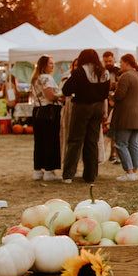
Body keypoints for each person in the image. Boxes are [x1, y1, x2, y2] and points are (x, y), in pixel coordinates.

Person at [60, 49, 111, 184]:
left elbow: (66, 90)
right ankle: (90, 175)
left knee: (75, 140)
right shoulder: (105, 72)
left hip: (82, 107)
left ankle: (68, 175)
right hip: (98, 107)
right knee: (92, 141)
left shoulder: (80, 71)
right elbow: (106, 93)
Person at [111, 54, 138, 182]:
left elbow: (119, 96)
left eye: (121, 62)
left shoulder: (126, 76)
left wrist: (111, 95)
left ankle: (129, 172)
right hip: (137, 116)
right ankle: (135, 172)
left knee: (121, 143)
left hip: (125, 116)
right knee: (134, 144)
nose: (120, 65)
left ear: (126, 62)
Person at [30, 55, 62, 181]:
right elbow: (50, 96)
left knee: (39, 141)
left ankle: (37, 170)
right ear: (44, 65)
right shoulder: (46, 78)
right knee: (50, 140)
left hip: (37, 110)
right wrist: (60, 95)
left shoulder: (35, 78)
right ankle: (49, 170)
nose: (53, 66)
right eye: (50, 63)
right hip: (49, 111)